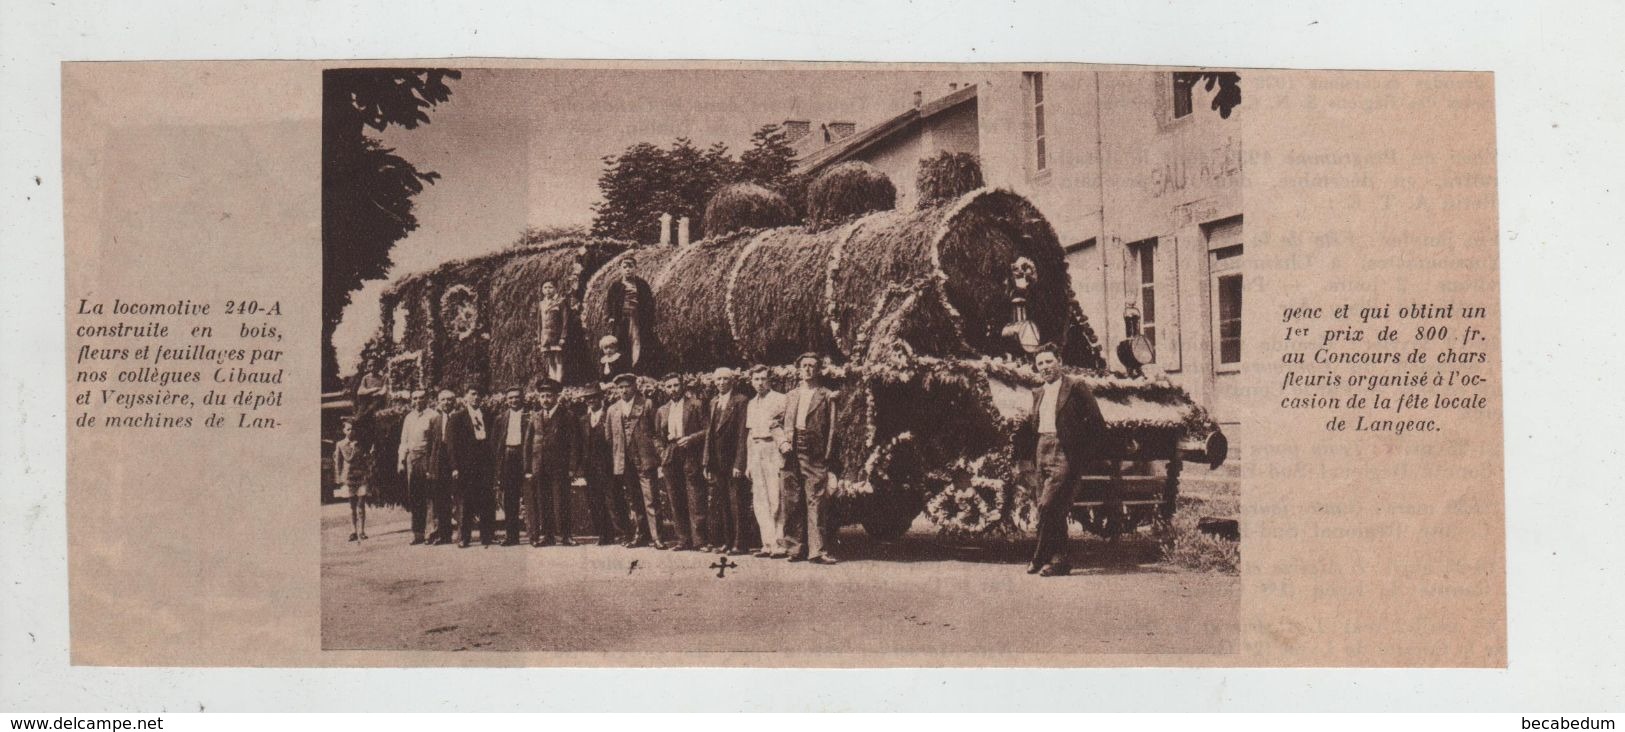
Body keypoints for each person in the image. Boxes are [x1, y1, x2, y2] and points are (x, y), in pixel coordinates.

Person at [1014, 344, 1106, 577]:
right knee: (1055, 508)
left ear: (1059, 361)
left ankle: (1039, 555)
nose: (1045, 367)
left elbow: (1096, 423)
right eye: (1040, 364)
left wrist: (1081, 455)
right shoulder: (1038, 392)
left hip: (1064, 451)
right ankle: (1060, 561)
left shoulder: (1075, 387)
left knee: (1047, 505)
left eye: (1049, 361)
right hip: (1041, 450)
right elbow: (1034, 428)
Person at [780, 353, 840, 565]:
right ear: (799, 369)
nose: (808, 369)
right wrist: (782, 442)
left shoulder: (826, 395)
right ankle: (794, 548)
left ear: (819, 370)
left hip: (814, 453)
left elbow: (832, 428)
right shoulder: (790, 396)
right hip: (790, 453)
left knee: (816, 501)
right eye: (804, 365)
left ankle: (817, 550)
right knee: (792, 500)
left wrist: (827, 456)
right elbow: (775, 423)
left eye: (812, 366)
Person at [607, 373, 667, 548]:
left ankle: (657, 537)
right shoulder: (613, 409)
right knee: (634, 499)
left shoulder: (646, 404)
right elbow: (610, 437)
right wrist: (618, 456)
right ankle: (640, 534)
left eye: (627, 386)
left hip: (644, 458)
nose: (624, 390)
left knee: (651, 498)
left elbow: (656, 433)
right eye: (620, 387)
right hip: (625, 461)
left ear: (635, 387)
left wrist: (658, 455)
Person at [702, 367, 751, 555]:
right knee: (722, 503)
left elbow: (742, 434)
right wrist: (706, 461)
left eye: (725, 379)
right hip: (717, 461)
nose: (721, 382)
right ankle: (727, 541)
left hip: (732, 461)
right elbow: (709, 434)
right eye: (718, 379)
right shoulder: (714, 401)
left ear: (733, 381)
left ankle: (740, 543)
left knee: (737, 502)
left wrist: (740, 463)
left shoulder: (740, 401)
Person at [655, 374, 707, 551]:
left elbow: (707, 430)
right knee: (675, 498)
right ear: (665, 389)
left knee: (695, 496)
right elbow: (656, 436)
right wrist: (662, 452)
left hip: (690, 452)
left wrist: (691, 439)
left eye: (676, 385)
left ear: (682, 386)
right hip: (671, 453)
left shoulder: (695, 405)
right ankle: (683, 540)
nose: (673, 389)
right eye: (669, 386)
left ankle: (700, 540)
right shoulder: (662, 410)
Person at [525, 379, 579, 547]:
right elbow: (528, 443)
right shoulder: (535, 416)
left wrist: (572, 467)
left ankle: (566, 535)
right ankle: (547, 536)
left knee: (561, 501)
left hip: (559, 467)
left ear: (556, 397)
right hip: (539, 466)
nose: (545, 399)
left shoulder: (567, 415)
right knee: (543, 501)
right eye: (542, 396)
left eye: (549, 396)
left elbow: (575, 443)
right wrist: (528, 468)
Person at [743, 365, 789, 558]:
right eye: (756, 379)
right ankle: (767, 544)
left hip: (773, 449)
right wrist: (748, 462)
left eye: (763, 379)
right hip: (756, 450)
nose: (760, 383)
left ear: (769, 380)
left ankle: (780, 543)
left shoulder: (780, 399)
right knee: (760, 500)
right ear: (751, 381)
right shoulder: (751, 403)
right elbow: (750, 433)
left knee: (776, 497)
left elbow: (784, 428)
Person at [576, 382, 628, 546]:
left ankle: (624, 533)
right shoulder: (583, 420)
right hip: (590, 467)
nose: (591, 401)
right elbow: (580, 445)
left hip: (608, 465)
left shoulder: (609, 415)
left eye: (594, 397)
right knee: (595, 500)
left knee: (614, 499)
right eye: (588, 398)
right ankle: (604, 535)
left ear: (601, 398)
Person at [448, 386, 494, 548]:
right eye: (473, 394)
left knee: (486, 500)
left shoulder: (487, 415)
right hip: (467, 466)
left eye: (479, 394)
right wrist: (455, 467)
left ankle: (487, 536)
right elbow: (452, 446)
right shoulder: (457, 418)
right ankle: (464, 537)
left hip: (485, 465)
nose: (476, 397)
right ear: (465, 397)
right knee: (466, 502)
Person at [396, 389, 441, 545]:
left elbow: (436, 442)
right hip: (412, 458)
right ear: (411, 400)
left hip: (426, 457)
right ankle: (418, 533)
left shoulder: (434, 416)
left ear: (427, 399)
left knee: (430, 495)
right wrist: (401, 461)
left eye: (421, 398)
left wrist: (433, 463)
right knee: (415, 496)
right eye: (415, 398)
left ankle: (432, 532)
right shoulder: (409, 418)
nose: (418, 401)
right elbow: (404, 441)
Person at [488, 387, 530, 546]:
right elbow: (494, 443)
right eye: (511, 398)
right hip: (508, 457)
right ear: (507, 400)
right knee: (510, 499)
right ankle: (512, 536)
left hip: (524, 456)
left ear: (523, 398)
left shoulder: (530, 416)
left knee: (529, 496)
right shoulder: (500, 418)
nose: (514, 400)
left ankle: (534, 534)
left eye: (517, 397)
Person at [605, 255, 655, 372]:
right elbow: (609, 303)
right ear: (621, 269)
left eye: (631, 267)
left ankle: (636, 368)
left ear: (635, 268)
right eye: (625, 267)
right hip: (620, 319)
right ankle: (621, 370)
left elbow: (649, 304)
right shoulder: (615, 286)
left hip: (637, 319)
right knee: (620, 343)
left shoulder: (642, 284)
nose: (628, 269)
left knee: (637, 342)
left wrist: (647, 319)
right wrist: (611, 317)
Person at [428, 389, 460, 545]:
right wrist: (431, 467)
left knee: (459, 498)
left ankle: (462, 533)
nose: (446, 403)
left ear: (454, 402)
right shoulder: (435, 420)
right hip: (440, 464)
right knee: (441, 500)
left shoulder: (460, 417)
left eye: (449, 400)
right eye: (443, 400)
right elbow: (431, 445)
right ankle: (444, 535)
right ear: (438, 402)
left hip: (455, 462)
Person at [333, 417, 371, 542]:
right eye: (348, 429)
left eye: (353, 429)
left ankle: (362, 531)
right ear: (344, 431)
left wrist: (367, 473)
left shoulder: (361, 443)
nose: (351, 431)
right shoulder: (340, 444)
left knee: (361, 504)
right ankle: (353, 531)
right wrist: (339, 478)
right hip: (349, 477)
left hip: (361, 476)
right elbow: (340, 462)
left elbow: (366, 460)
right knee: (352, 506)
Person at [537, 281, 568, 383]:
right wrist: (539, 338)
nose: (547, 290)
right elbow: (539, 323)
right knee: (550, 359)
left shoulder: (560, 302)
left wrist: (563, 336)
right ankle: (552, 381)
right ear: (542, 290)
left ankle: (559, 381)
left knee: (558, 359)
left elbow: (565, 321)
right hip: (545, 337)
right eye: (545, 288)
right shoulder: (541, 304)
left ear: (555, 289)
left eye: (550, 287)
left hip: (556, 335)